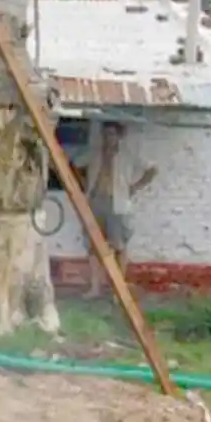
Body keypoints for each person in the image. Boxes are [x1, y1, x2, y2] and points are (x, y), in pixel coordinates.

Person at [73, 121, 157, 298]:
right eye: (105, 134)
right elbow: (74, 164)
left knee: (119, 245)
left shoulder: (128, 154)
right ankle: (95, 288)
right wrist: (84, 184)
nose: (108, 138)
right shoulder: (95, 153)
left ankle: (118, 289)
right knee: (93, 244)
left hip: (117, 202)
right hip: (96, 200)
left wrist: (135, 187)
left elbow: (152, 169)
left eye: (111, 134)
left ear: (119, 136)